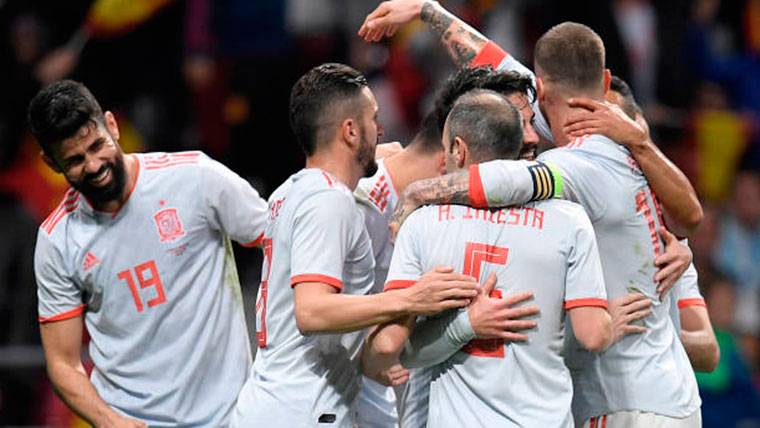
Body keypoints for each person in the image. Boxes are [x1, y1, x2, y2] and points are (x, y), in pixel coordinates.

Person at [362, 6, 703, 426]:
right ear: (605, 81)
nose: (529, 133)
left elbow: (507, 179)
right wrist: (430, 12)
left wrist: (419, 193)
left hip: (625, 401)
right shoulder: (619, 144)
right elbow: (495, 66)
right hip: (666, 393)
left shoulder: (576, 169)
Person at [231, 63, 481, 427]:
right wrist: (412, 298)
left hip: (276, 401)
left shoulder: (291, 191)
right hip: (302, 409)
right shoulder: (330, 201)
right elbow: (312, 311)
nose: (380, 131)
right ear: (350, 130)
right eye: (373, 119)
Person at [364, 89, 613, 426]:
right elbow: (593, 336)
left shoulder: (421, 224)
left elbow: (391, 348)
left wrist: (463, 326)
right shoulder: (569, 219)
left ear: (457, 148)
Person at [29, 80, 269, 426]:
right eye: (75, 160)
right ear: (51, 163)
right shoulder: (57, 241)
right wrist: (112, 422)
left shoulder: (195, 177)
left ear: (112, 125)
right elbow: (63, 364)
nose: (94, 165)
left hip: (230, 417)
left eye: (97, 146)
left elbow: (280, 240)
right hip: (130, 419)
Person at [354, 66, 543, 427]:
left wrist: (429, 11)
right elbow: (316, 320)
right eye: (516, 126)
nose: (531, 139)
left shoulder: (506, 204)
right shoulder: (356, 203)